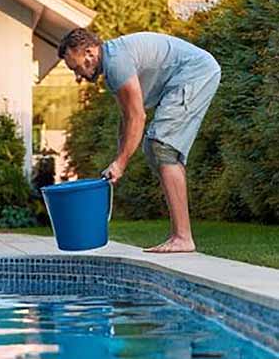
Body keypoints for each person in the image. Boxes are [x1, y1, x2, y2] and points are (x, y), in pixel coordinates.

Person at [58, 28, 221, 253]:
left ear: (89, 52)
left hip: (196, 73)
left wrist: (121, 164)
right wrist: (117, 159)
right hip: (190, 75)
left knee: (161, 147)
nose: (79, 76)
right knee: (159, 149)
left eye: (77, 67)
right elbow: (126, 119)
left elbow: (137, 116)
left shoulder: (116, 63)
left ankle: (183, 237)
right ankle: (181, 235)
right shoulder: (112, 65)